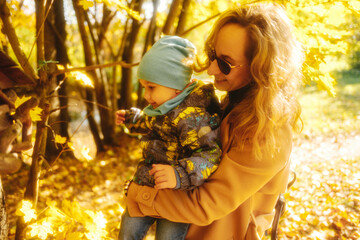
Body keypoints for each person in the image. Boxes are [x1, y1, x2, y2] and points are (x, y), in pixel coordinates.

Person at [124, 2, 304, 240]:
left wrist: (138, 193)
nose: (210, 69)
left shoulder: (268, 133)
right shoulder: (232, 104)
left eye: (225, 64)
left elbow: (203, 204)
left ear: (261, 68)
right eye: (212, 56)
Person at [116, 35, 222, 240]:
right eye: (144, 87)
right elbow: (149, 123)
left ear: (176, 84)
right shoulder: (161, 107)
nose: (146, 95)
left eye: (151, 87)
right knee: (127, 232)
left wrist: (179, 175)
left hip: (176, 195)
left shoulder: (193, 116)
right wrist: (131, 119)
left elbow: (210, 155)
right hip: (146, 185)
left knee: (168, 237)